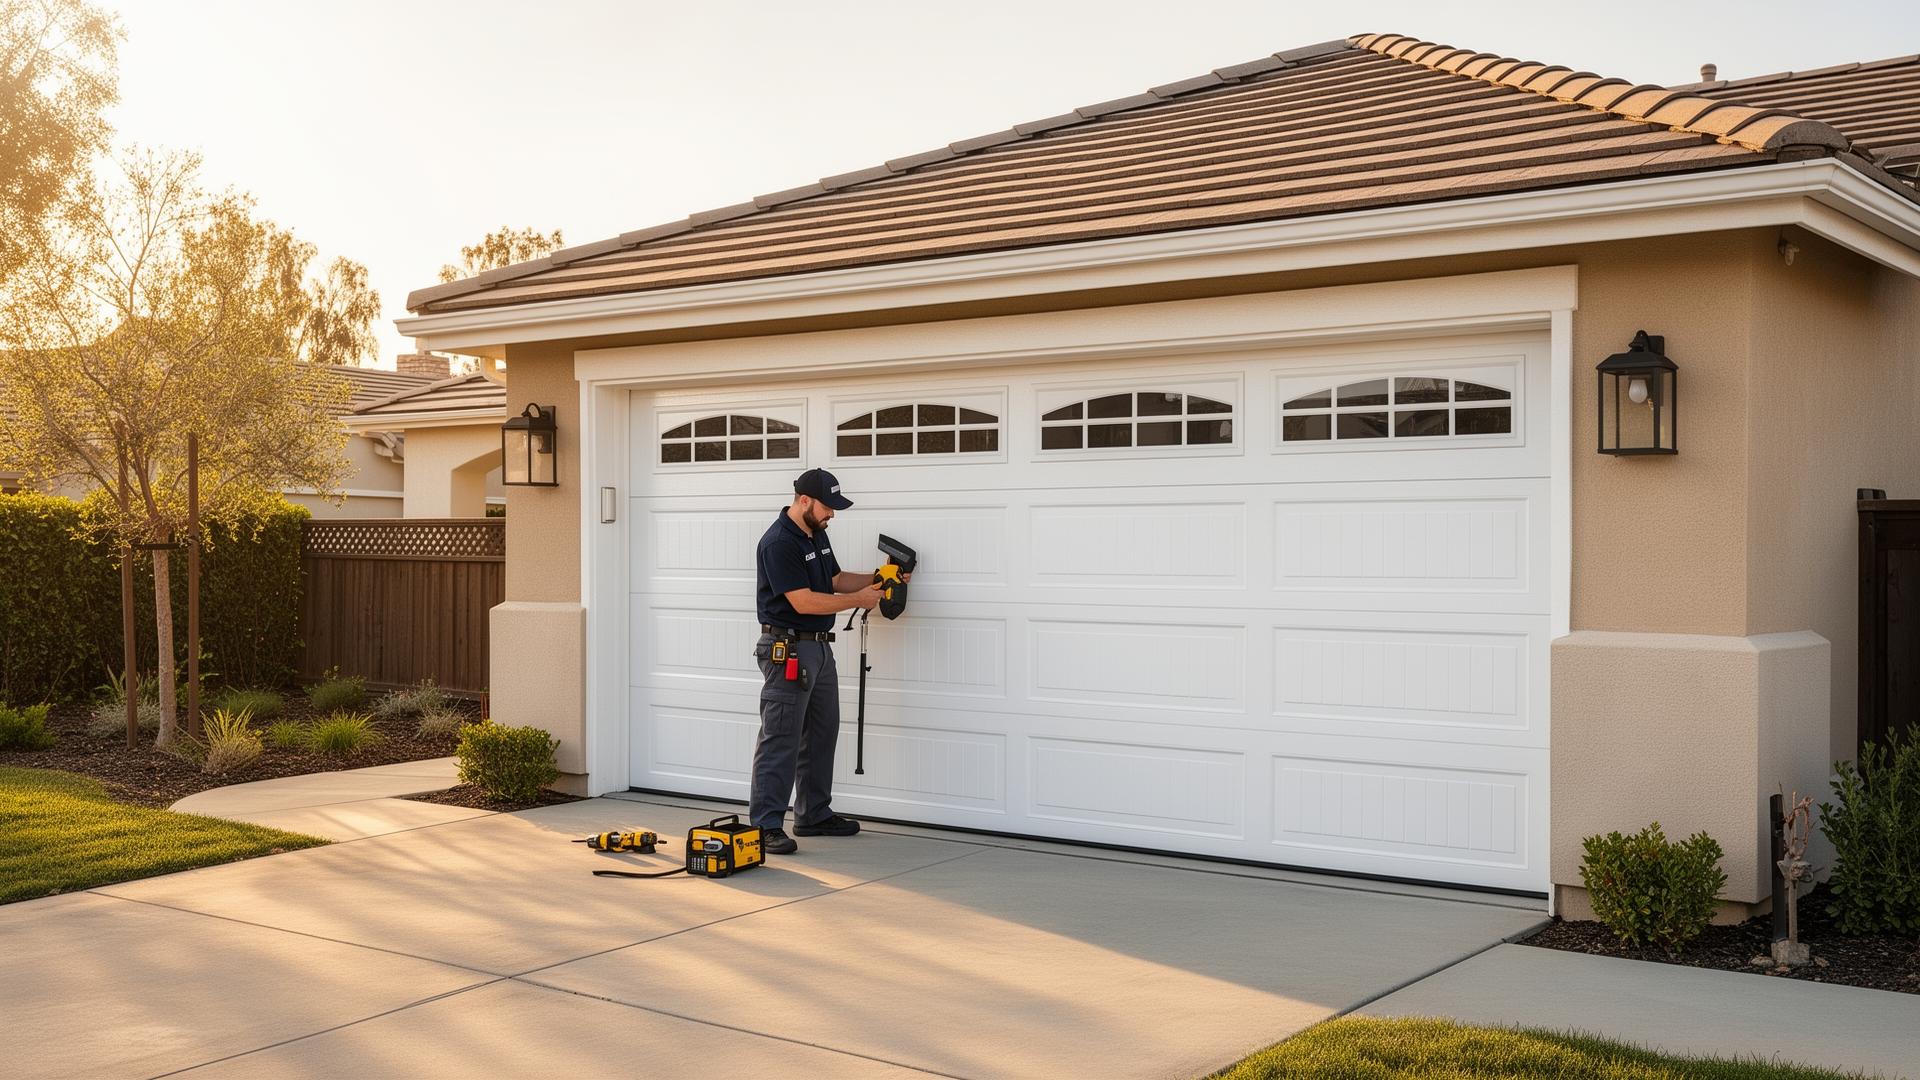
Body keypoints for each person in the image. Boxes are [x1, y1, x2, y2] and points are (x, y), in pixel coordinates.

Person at [749, 468, 904, 855]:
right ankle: (765, 826)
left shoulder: (815, 534)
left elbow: (833, 579)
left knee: (821, 733)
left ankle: (813, 814)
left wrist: (882, 576)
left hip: (818, 649)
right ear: (804, 500)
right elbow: (802, 601)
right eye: (827, 506)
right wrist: (861, 600)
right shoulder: (778, 543)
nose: (832, 514)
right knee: (781, 739)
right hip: (787, 650)